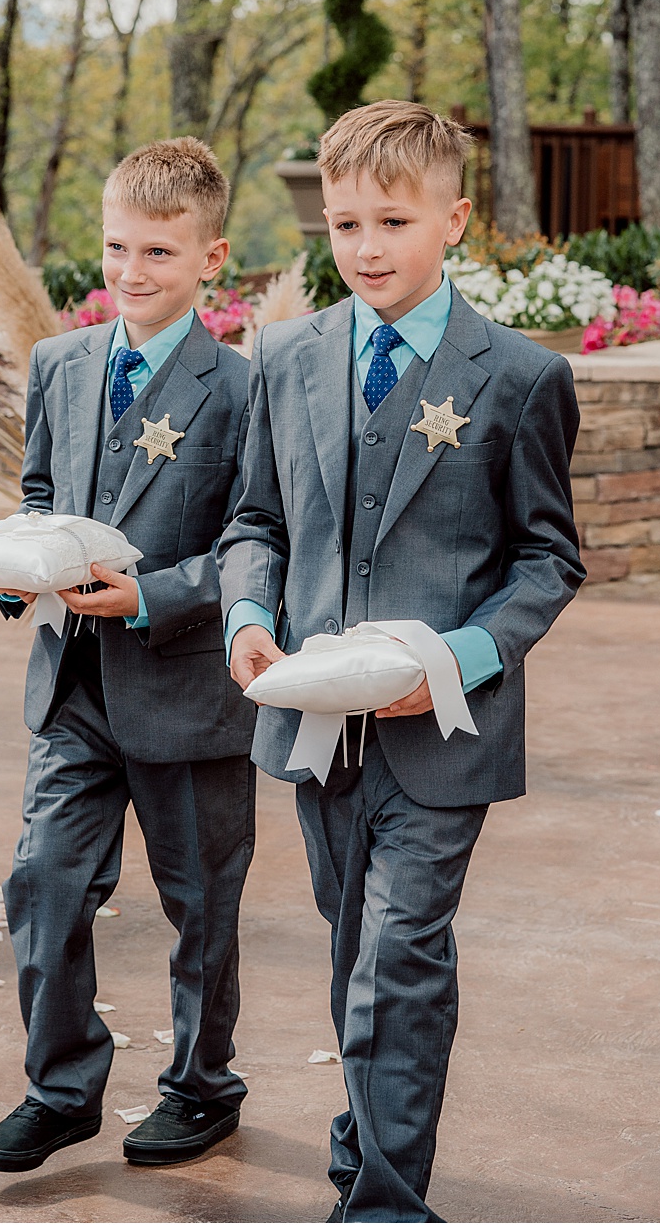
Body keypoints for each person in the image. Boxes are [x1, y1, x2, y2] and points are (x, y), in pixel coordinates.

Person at [218, 100, 584, 1222]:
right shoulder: (281, 355)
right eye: (342, 225)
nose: (365, 249)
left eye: (390, 220)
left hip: (444, 732)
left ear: (453, 219)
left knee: (399, 951)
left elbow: (546, 559)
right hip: (313, 719)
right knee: (348, 944)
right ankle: (369, 1123)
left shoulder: (518, 377)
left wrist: (462, 659)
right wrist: (244, 616)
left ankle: (383, 1199)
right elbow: (252, 522)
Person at [0, 139, 257, 1174]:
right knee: (41, 884)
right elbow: (41, 496)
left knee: (200, 908)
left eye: (157, 253)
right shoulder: (60, 363)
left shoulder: (239, 388)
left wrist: (157, 596)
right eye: (114, 247)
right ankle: (60, 1088)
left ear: (210, 256)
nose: (129, 272)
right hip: (73, 689)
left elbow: (252, 542)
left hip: (187, 692)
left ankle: (201, 1086)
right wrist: (16, 563)